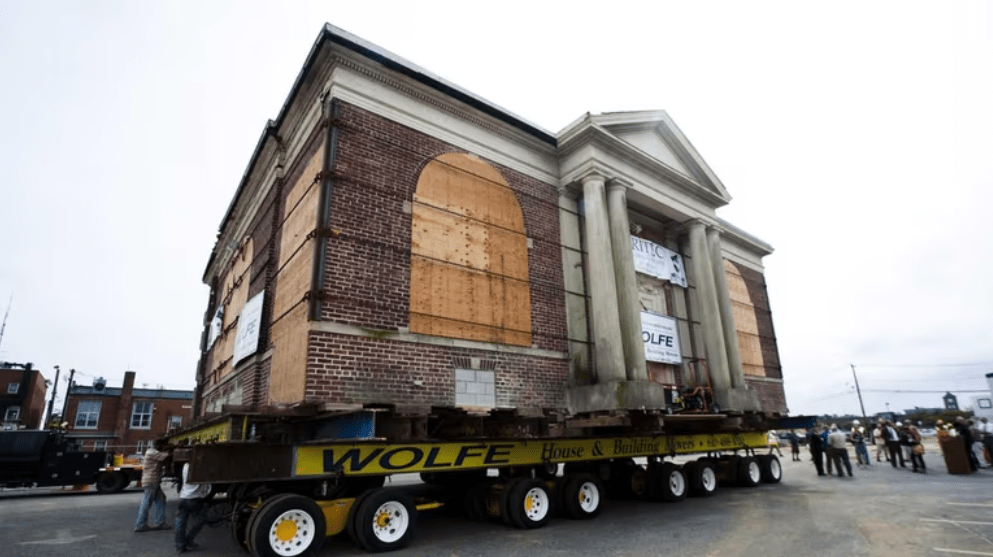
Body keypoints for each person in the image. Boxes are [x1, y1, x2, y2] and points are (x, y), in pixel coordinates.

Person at [175, 461, 213, 553]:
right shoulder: (202, 469)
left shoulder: (186, 466)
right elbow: (207, 487)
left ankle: (180, 545)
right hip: (194, 499)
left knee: (180, 521)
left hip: (183, 497)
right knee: (201, 520)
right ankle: (188, 540)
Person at [135, 440, 171, 532]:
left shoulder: (151, 452)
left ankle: (160, 522)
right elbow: (168, 456)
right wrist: (173, 448)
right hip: (151, 481)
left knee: (161, 499)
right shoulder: (152, 452)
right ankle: (140, 524)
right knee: (146, 502)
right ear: (158, 446)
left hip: (153, 481)